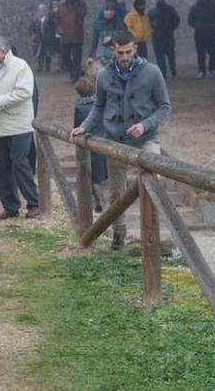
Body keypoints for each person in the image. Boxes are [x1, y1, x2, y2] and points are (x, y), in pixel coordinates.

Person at [71, 30, 171, 249]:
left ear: (135, 49)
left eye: (128, 51)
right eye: (120, 52)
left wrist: (145, 124)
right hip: (115, 139)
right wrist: (84, 127)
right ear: (113, 50)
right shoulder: (104, 76)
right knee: (116, 192)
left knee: (153, 180)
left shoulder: (152, 72)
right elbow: (98, 106)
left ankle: (152, 235)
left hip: (146, 138)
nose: (125, 57)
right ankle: (119, 234)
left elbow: (164, 107)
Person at [0, 36, 40, 220]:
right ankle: (10, 206)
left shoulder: (21, 66)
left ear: (3, 52)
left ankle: (34, 202)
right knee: (2, 167)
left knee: (20, 164)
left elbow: (24, 92)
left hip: (19, 125)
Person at [73, 76, 108, 213]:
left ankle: (99, 199)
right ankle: (101, 199)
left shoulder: (79, 106)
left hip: (88, 142)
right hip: (103, 140)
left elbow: (76, 125)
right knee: (101, 173)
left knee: (94, 177)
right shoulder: (101, 104)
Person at [57, 0, 88, 83]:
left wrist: (76, 4)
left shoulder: (81, 4)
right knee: (65, 56)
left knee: (76, 57)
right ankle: (75, 71)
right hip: (65, 35)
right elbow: (57, 18)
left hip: (77, 35)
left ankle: (75, 76)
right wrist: (58, 28)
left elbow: (83, 14)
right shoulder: (61, 5)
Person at [188, 0, 215, 78]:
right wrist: (197, 26)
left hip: (211, 32)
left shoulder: (212, 6)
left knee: (212, 52)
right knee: (200, 53)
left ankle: (212, 70)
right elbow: (190, 21)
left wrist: (213, 25)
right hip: (199, 33)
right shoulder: (194, 8)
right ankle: (202, 71)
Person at [148, 0, 181, 78]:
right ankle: (163, 74)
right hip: (157, 37)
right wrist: (152, 29)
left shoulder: (170, 9)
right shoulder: (152, 11)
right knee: (159, 57)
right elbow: (147, 23)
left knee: (171, 55)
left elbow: (177, 20)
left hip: (168, 36)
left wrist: (171, 28)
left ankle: (173, 72)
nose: (158, 0)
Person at [88, 0, 126, 68]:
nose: (109, 12)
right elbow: (95, 41)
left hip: (115, 57)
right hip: (101, 57)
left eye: (111, 10)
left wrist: (112, 37)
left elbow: (124, 36)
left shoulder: (119, 23)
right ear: (103, 11)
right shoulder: (98, 24)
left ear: (114, 11)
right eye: (107, 10)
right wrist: (91, 56)